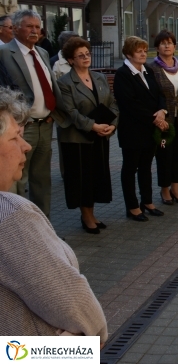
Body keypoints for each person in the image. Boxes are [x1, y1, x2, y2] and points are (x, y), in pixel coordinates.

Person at [0, 87, 108, 341]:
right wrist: (91, 341)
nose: (25, 146)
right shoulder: (12, 216)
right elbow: (70, 302)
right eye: (15, 138)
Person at [0, 9, 67, 217]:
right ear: (16, 28)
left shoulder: (43, 52)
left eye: (37, 27)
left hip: (45, 125)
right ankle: (15, 228)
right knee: (17, 180)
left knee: (42, 180)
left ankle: (42, 227)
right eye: (29, 26)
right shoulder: (4, 53)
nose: (34, 31)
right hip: (22, 127)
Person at [56, 37, 118, 234]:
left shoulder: (99, 77)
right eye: (80, 55)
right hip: (77, 140)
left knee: (96, 176)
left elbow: (112, 103)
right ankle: (86, 216)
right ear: (70, 60)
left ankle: (92, 212)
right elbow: (70, 112)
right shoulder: (65, 82)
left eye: (87, 54)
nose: (85, 58)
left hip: (100, 137)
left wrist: (113, 125)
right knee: (82, 179)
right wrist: (93, 126)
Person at [114, 36, 168, 222]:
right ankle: (132, 206)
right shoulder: (123, 74)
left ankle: (147, 202)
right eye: (139, 51)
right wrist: (155, 118)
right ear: (129, 54)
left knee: (146, 167)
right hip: (132, 129)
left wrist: (162, 110)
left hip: (150, 129)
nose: (143, 54)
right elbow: (129, 103)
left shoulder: (148, 71)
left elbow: (160, 94)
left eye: (145, 50)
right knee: (130, 168)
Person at [149, 30, 178, 205]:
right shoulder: (152, 69)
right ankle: (164, 189)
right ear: (157, 48)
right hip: (164, 123)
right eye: (163, 43)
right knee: (164, 156)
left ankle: (176, 188)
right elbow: (152, 95)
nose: (167, 46)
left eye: (170, 43)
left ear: (175, 47)